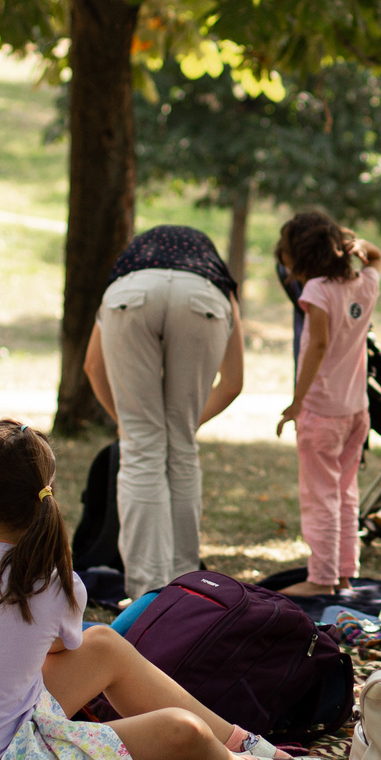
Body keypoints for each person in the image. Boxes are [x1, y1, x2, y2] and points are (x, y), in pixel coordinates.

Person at [0, 420, 327, 760]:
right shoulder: (55, 584)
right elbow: (60, 650)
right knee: (178, 728)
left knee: (101, 644)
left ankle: (241, 746)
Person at [82, 224, 247, 597]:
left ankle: (147, 592)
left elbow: (92, 366)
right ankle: (185, 592)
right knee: (182, 452)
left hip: (130, 297)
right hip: (202, 300)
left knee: (142, 451)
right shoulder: (215, 274)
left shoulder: (131, 267)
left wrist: (133, 424)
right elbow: (232, 383)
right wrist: (180, 428)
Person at [271, 211, 381, 599]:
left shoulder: (318, 289)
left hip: (321, 412)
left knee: (320, 496)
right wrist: (360, 246)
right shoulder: (365, 283)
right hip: (356, 410)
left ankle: (321, 578)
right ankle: (344, 574)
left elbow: (317, 345)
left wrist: (296, 403)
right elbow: (376, 257)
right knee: (346, 493)